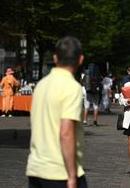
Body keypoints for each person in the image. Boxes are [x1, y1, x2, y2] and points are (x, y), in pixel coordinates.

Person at [26, 36, 87, 188]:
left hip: (36, 168)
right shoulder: (72, 87)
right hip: (59, 172)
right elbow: (66, 132)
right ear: (80, 59)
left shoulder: (41, 85)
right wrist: (72, 176)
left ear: (55, 58)